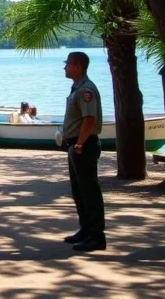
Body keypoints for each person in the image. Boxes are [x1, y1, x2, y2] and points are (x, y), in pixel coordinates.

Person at [61, 51, 106, 252]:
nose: (65, 67)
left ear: (78, 66)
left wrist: (79, 144)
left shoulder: (86, 90)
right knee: (79, 191)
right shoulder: (76, 88)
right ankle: (86, 229)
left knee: (89, 191)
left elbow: (90, 119)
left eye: (67, 64)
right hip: (75, 146)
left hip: (83, 146)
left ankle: (97, 236)